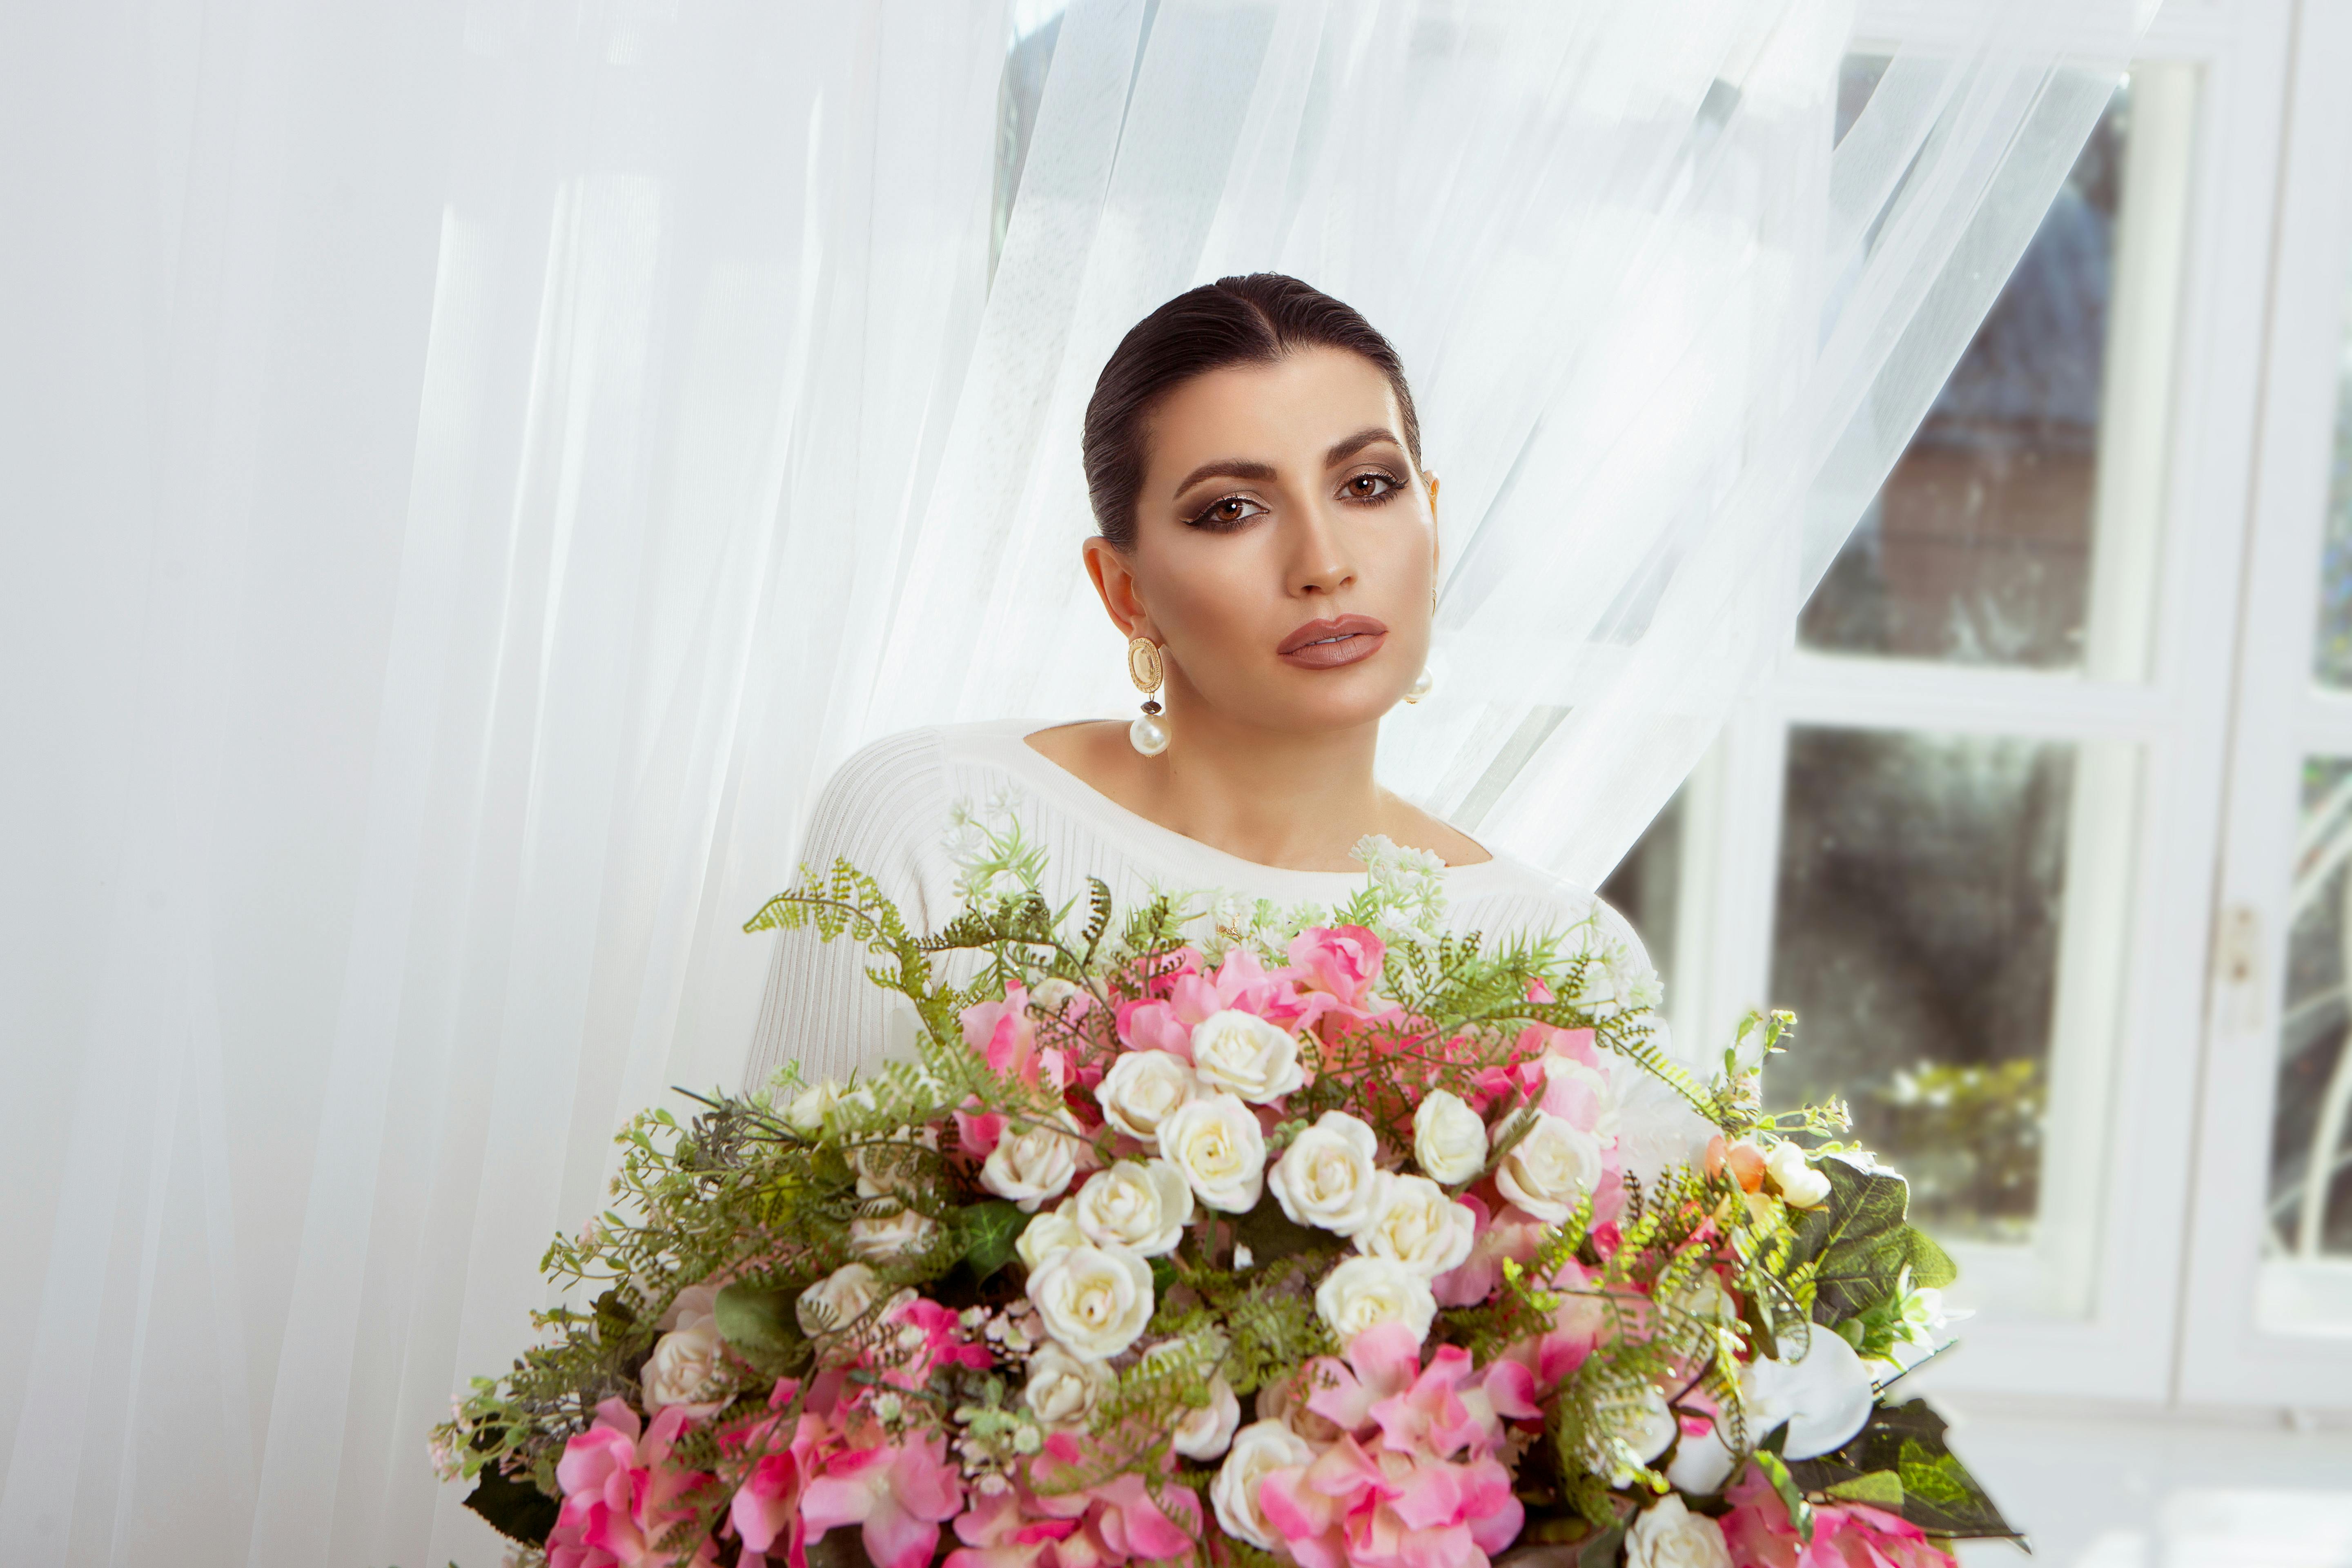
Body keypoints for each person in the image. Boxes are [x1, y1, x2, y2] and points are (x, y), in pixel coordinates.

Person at [743, 273, 1660, 1090]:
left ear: (1433, 516)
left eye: (1369, 486)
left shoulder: (1565, 956)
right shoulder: (938, 819)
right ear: (1126, 590)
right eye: (1233, 509)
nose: (1323, 563)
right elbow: (759, 1272)